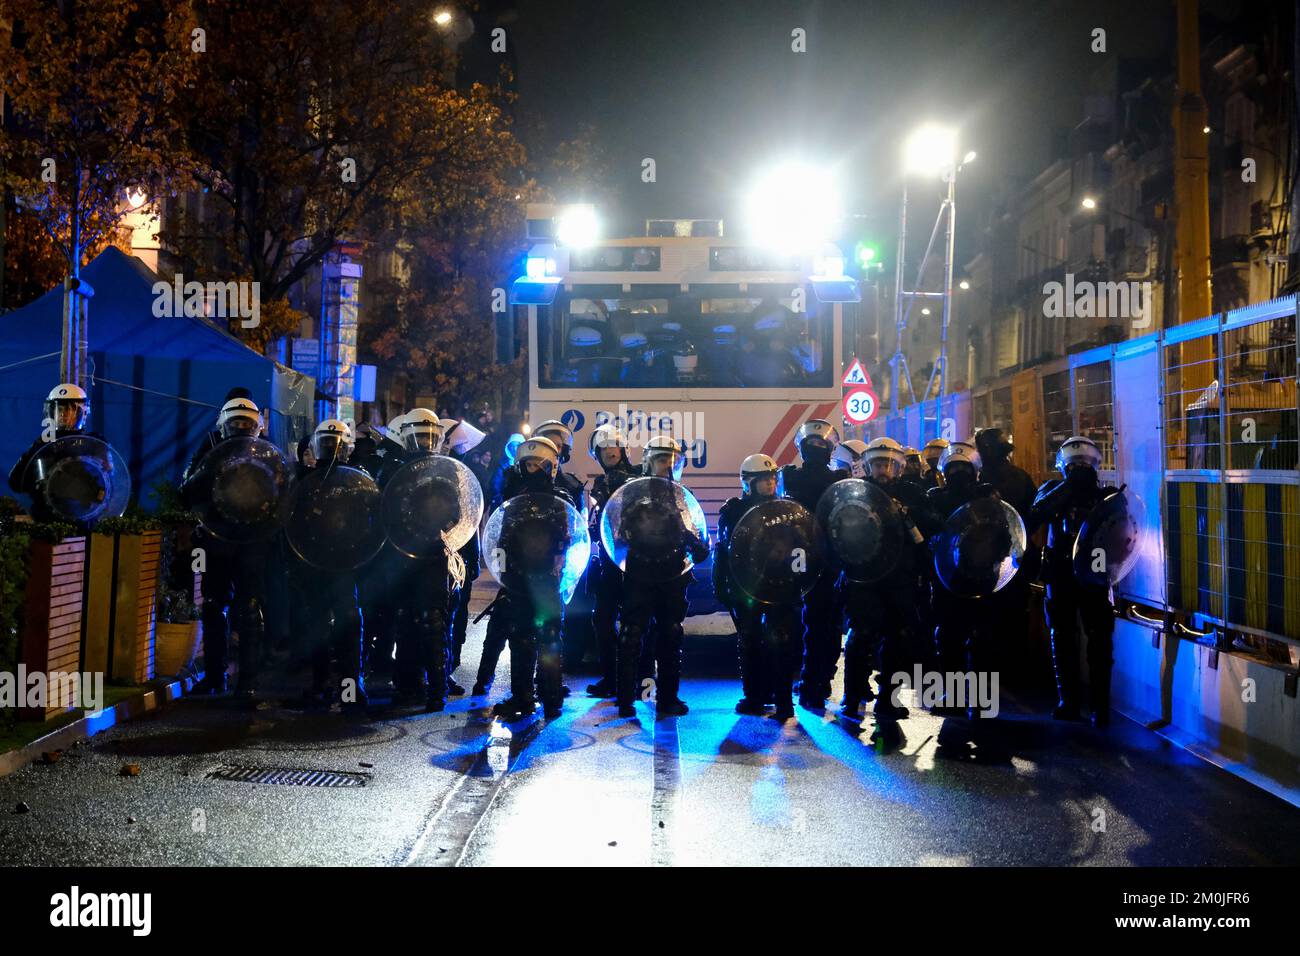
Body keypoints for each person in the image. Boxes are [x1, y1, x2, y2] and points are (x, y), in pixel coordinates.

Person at [839, 437, 940, 731]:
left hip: (899, 576)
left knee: (898, 638)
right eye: (877, 464)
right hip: (864, 576)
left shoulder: (913, 493)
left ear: (897, 466)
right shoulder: (857, 492)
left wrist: (910, 515)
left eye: (887, 464)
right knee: (860, 635)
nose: (882, 469)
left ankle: (890, 699)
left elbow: (934, 526)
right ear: (868, 466)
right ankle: (853, 694)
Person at [180, 397, 272, 701]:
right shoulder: (210, 450)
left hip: (251, 540)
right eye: (237, 423)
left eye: (247, 424)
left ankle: (248, 680)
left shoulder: (267, 455)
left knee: (248, 610)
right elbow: (187, 491)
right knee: (213, 605)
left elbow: (284, 496)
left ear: (257, 426)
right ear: (224, 426)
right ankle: (217, 675)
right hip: (218, 539)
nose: (242, 429)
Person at [615, 436, 709, 718]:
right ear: (649, 462)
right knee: (631, 635)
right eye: (661, 460)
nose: (667, 465)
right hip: (641, 572)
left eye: (672, 461)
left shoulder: (681, 494)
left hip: (671, 574)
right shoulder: (634, 493)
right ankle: (626, 699)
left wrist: (698, 546)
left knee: (670, 635)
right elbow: (622, 530)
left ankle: (668, 698)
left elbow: (690, 529)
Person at [481, 436, 571, 720]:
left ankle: (552, 696)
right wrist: (504, 574)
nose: (532, 469)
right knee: (520, 638)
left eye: (537, 464)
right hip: (518, 581)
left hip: (545, 580)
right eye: (527, 464)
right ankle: (522, 696)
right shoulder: (513, 499)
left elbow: (565, 540)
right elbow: (501, 538)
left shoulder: (559, 500)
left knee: (549, 637)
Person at [1030, 436, 1117, 728]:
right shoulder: (1053, 490)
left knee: (1100, 641)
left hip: (1094, 575)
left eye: (1085, 463)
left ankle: (1100, 706)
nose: (1080, 467)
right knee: (1063, 636)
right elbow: (1035, 515)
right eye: (1074, 464)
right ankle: (1068, 700)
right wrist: (1068, 487)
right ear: (1063, 467)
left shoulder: (1106, 495)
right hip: (1060, 574)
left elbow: (1123, 532)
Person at [713, 454, 800, 720]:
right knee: (750, 641)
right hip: (747, 586)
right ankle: (754, 697)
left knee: (782, 641)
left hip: (779, 586)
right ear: (748, 483)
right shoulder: (734, 510)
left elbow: (802, 546)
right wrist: (721, 585)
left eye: (773, 479)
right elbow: (724, 550)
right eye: (764, 480)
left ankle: (783, 700)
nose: (770, 484)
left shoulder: (788, 510)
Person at [381, 408, 453, 710]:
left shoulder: (446, 471)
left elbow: (458, 515)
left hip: (432, 556)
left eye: (429, 436)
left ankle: (437, 688)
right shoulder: (393, 470)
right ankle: (406, 684)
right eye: (419, 436)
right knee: (405, 623)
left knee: (432, 622)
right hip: (401, 556)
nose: (424, 442)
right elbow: (383, 511)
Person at [295, 419, 368, 711]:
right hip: (318, 562)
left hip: (342, 563)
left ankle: (347, 687)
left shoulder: (356, 480)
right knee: (322, 625)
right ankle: (324, 685)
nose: (331, 449)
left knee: (344, 624)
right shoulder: (305, 480)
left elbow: (369, 522)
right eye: (327, 443)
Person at [925, 440, 1000, 705]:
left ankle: (979, 697)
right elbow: (930, 534)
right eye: (953, 468)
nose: (958, 474)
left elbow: (1003, 533)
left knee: (982, 636)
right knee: (948, 636)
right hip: (947, 576)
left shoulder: (987, 497)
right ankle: (953, 694)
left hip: (980, 575)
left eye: (963, 468)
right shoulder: (935, 497)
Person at [780, 419, 849, 709]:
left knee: (828, 623)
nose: (817, 449)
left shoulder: (839, 478)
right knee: (806, 622)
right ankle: (810, 682)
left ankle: (819, 680)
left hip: (828, 557)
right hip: (799, 556)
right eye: (813, 444)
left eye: (822, 445)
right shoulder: (788, 475)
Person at [584, 425, 638, 698]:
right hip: (608, 560)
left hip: (634, 563)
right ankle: (611, 677)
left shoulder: (638, 478)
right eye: (603, 449)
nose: (609, 453)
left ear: (623, 449)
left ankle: (635, 679)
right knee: (602, 621)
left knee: (635, 624)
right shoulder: (599, 484)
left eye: (613, 447)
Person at [8, 383, 104, 522]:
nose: (63, 414)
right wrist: (37, 450)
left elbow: (106, 483)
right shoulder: (44, 443)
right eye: (59, 409)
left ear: (81, 412)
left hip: (83, 517)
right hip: (47, 518)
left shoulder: (93, 443)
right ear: (51, 412)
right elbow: (16, 482)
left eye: (69, 409)